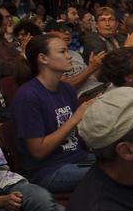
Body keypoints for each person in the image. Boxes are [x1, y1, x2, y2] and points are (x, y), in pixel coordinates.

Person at [12, 34, 96, 193]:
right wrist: (75, 118)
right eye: (62, 52)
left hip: (77, 157)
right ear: (43, 58)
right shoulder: (28, 96)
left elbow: (80, 136)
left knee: (124, 163)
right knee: (112, 174)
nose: (69, 56)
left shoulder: (67, 89)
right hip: (47, 171)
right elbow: (38, 151)